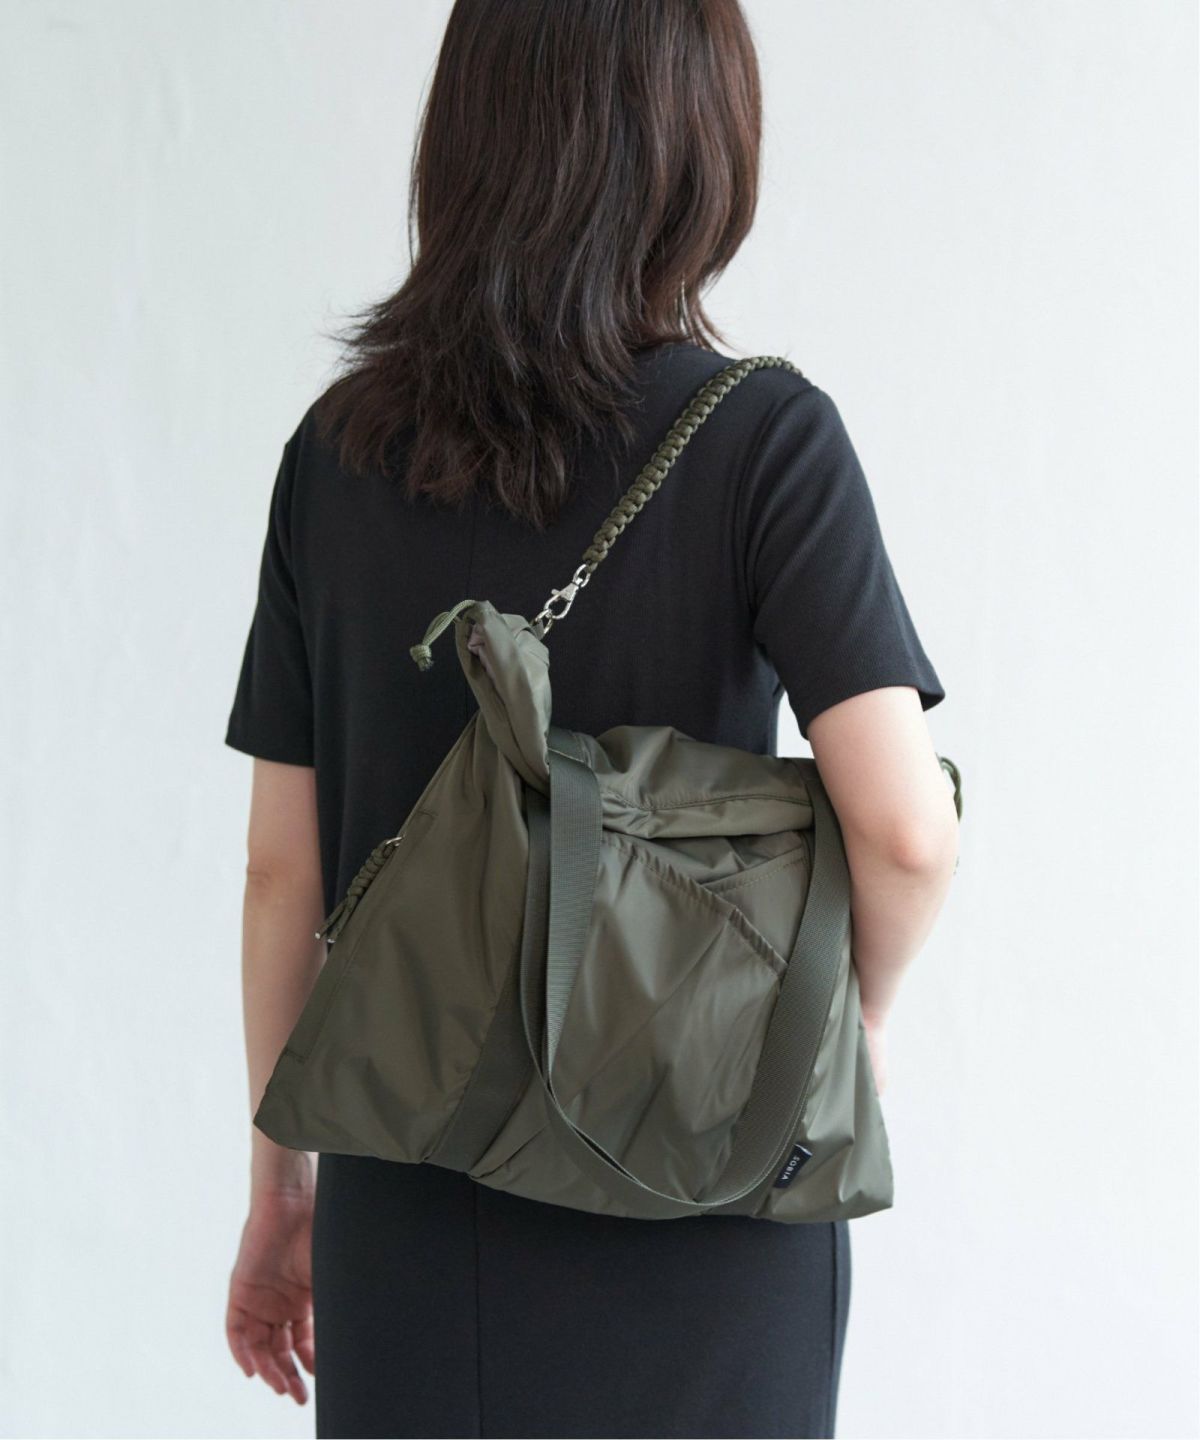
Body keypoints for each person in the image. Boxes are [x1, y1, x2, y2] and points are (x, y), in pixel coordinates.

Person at [221, 1, 961, 1435]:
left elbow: (280, 876)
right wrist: (845, 1017)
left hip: (409, 1223)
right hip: (706, 1183)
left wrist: (282, 1190)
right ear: (699, 145)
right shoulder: (765, 442)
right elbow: (907, 835)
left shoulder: (336, 454)